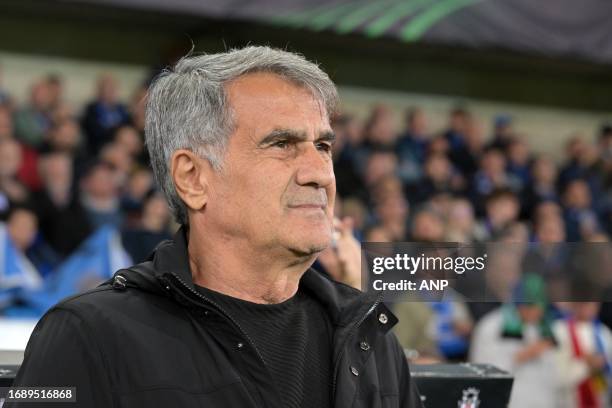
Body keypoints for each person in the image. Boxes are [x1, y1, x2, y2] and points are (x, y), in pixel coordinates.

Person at [9, 46, 423, 408]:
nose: (320, 173)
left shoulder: (369, 335)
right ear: (192, 177)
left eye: (323, 146)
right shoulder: (86, 335)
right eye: (281, 144)